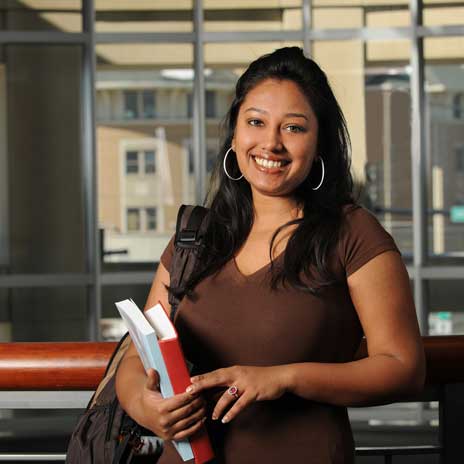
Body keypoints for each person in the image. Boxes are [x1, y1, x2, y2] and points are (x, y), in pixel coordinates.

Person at [115, 47, 426, 464]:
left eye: (294, 127)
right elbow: (137, 355)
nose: (271, 143)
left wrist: (284, 378)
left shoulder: (353, 235)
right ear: (235, 133)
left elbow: (403, 368)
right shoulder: (195, 237)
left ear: (319, 143)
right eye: (256, 122)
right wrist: (144, 405)